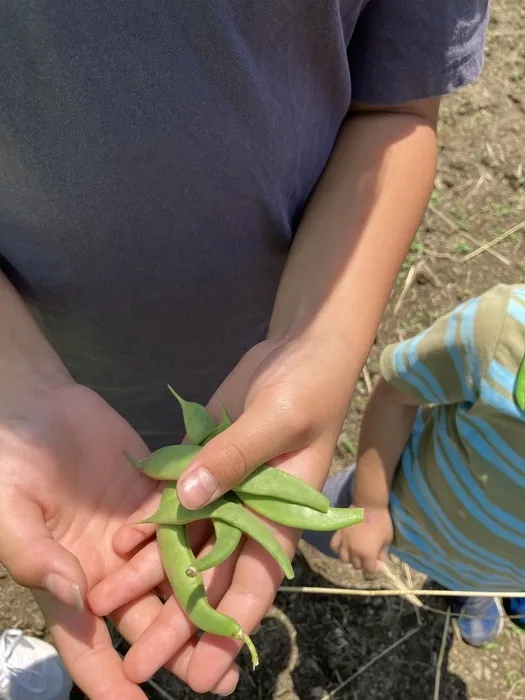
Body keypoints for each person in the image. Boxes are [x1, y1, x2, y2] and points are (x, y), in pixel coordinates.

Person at [0, 2, 490, 697]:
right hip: (46, 342)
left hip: (262, 338)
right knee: (134, 529)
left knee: (177, 509)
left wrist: (314, 339)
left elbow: (397, 112)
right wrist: (11, 375)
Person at [303, 283, 525, 647]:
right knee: (305, 519)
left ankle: (471, 590)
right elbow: (397, 394)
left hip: (497, 569)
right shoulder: (503, 330)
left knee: (474, 576)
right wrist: (370, 508)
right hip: (399, 505)